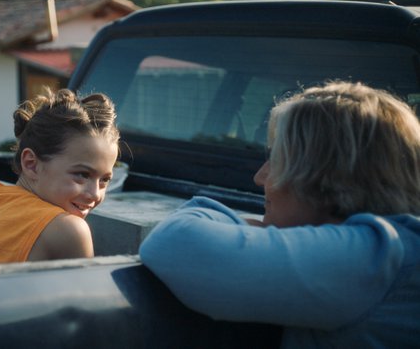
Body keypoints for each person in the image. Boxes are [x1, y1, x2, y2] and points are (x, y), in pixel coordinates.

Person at [139, 81, 420, 348]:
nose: (259, 177)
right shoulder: (397, 249)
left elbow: (178, 242)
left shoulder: (374, 256)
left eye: (277, 161)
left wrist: (233, 222)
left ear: (327, 180)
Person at [0, 88, 120, 267]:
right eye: (82, 175)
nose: (95, 194)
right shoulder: (69, 229)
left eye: (104, 180)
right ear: (31, 164)